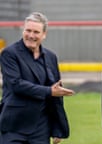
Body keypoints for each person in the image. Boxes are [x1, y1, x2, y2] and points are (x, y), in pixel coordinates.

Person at [0, 12, 75, 144]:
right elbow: (16, 85)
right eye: (28, 30)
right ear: (23, 30)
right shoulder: (9, 54)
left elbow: (57, 94)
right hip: (14, 126)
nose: (31, 35)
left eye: (36, 32)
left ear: (44, 34)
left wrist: (57, 128)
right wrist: (49, 91)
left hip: (41, 127)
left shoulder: (51, 57)